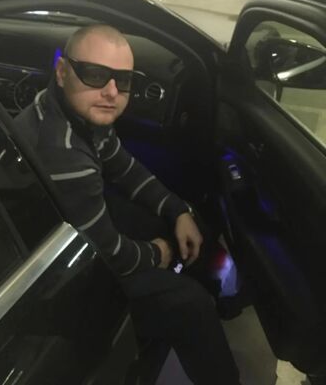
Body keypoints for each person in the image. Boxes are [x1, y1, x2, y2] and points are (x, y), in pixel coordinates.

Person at [16, 24, 241, 385]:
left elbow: (124, 168)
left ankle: (220, 288)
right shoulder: (62, 152)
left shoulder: (74, 109)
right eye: (94, 74)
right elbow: (109, 256)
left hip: (75, 220)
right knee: (190, 304)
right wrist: (158, 253)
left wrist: (178, 210)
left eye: (123, 81)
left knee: (182, 222)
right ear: (62, 71)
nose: (111, 92)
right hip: (53, 272)